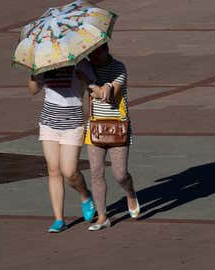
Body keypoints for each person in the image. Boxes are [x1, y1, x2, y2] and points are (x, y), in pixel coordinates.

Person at [28, 60, 96, 233]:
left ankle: (85, 195)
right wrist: (35, 74)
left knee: (69, 171)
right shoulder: (46, 61)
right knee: (53, 169)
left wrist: (87, 80)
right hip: (49, 121)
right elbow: (33, 90)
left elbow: (93, 89)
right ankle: (59, 219)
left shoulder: (81, 63)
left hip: (73, 122)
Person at [85, 43, 140, 231]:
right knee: (96, 172)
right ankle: (102, 217)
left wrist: (100, 85)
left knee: (120, 174)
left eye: (96, 53)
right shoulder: (86, 67)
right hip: (94, 127)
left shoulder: (118, 67)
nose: (92, 57)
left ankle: (130, 193)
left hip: (118, 127)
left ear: (105, 50)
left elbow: (110, 95)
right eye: (89, 54)